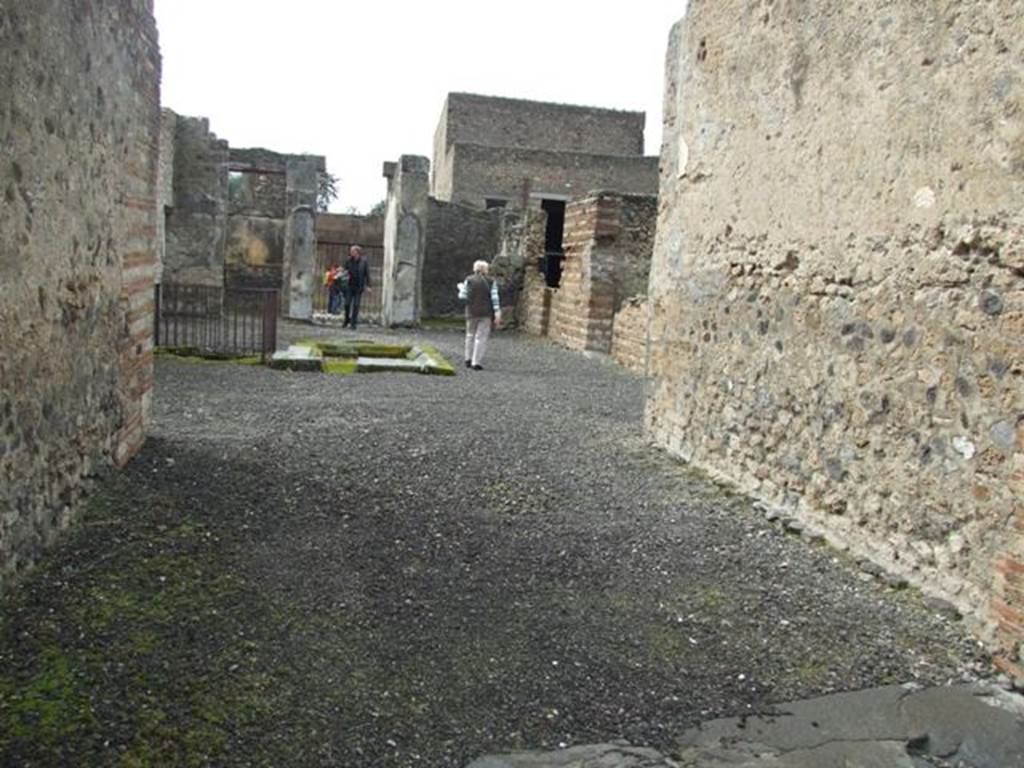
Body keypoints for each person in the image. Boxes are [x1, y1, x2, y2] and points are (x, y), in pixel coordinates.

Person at [458, 260, 501, 370]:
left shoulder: (469, 280)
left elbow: (462, 296)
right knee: (481, 337)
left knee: (469, 335)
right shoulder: (491, 281)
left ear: (474, 269)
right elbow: (495, 298)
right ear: (486, 270)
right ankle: (476, 362)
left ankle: (467, 359)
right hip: (486, 313)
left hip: (471, 311)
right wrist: (497, 312)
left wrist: (461, 288)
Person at [343, 245, 371, 329]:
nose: (351, 252)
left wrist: (368, 285)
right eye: (351, 251)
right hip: (349, 285)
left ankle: (353, 323)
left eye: (352, 251)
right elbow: (344, 270)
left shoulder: (363, 262)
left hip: (359, 286)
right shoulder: (348, 260)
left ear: (357, 252)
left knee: (356, 305)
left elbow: (367, 274)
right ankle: (347, 319)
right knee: (347, 304)